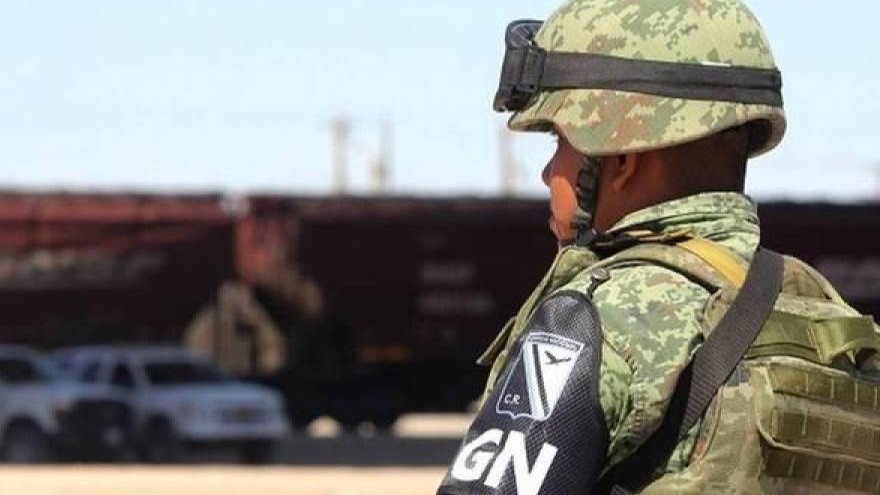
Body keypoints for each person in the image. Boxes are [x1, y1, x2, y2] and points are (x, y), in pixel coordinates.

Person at [437, 1, 880, 494]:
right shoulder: (831, 319)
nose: (547, 172)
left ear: (621, 160)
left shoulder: (594, 318)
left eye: (560, 143)